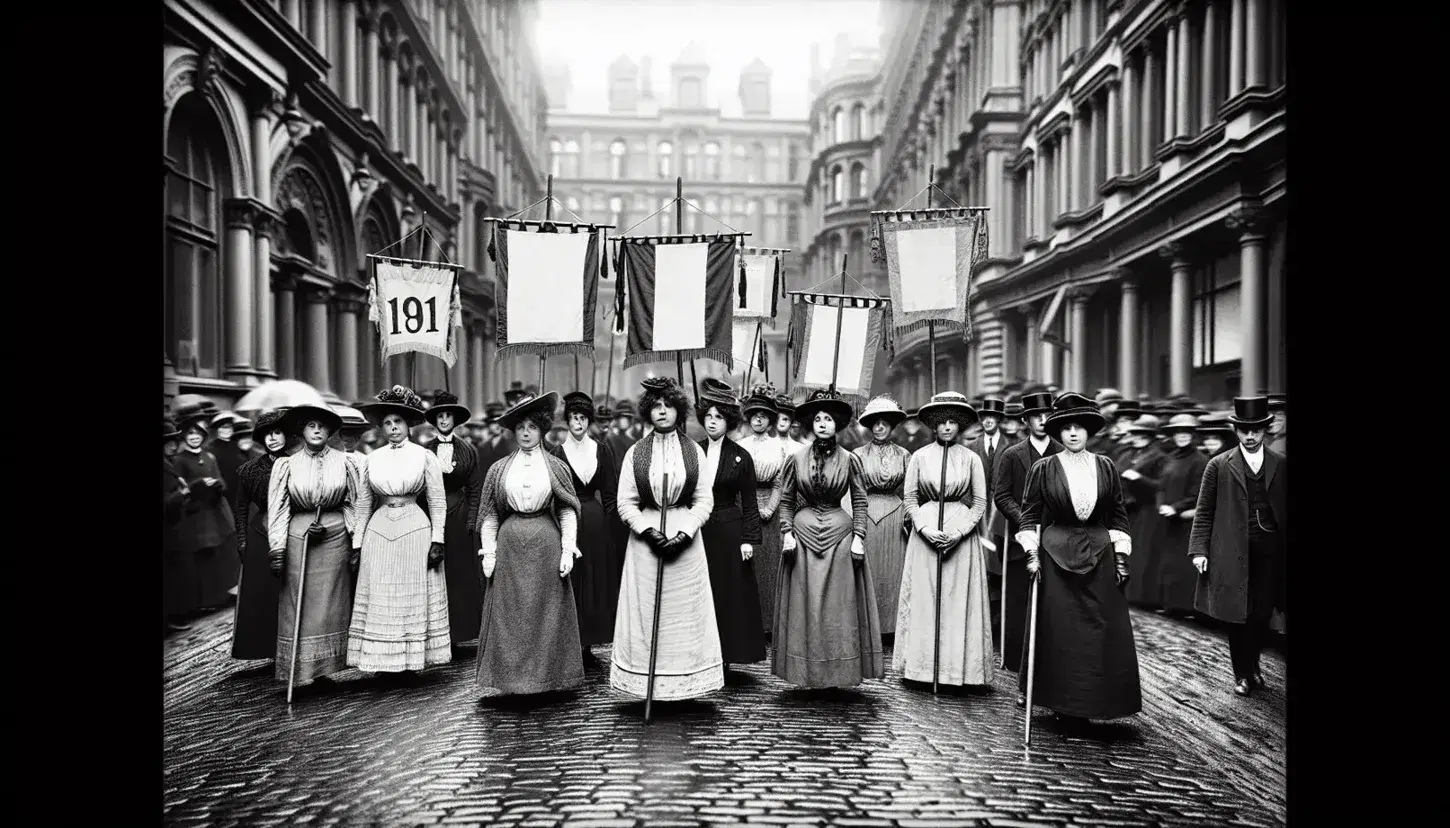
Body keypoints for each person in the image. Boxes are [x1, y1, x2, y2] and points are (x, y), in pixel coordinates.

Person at [1016, 392, 1141, 732]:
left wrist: (1121, 558)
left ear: (1089, 432)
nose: (1073, 433)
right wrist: (1031, 553)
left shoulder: (1105, 466)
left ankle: (1097, 698)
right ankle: (1063, 702)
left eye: (1080, 427)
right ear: (1058, 433)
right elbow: (1029, 517)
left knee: (1099, 629)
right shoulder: (1044, 468)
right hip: (1056, 555)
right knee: (1061, 630)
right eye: (1067, 428)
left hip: (1100, 553)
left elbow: (1117, 513)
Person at [610, 377, 724, 702]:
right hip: (646, 541)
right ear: (648, 412)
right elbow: (625, 502)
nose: (662, 412)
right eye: (656, 407)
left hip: (684, 538)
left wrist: (684, 533)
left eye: (668, 406)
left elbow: (704, 500)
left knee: (684, 615)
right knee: (646, 612)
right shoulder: (636, 453)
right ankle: (646, 683)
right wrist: (647, 530)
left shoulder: (694, 452)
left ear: (679, 410)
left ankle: (685, 683)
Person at [474, 391, 588, 696]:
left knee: (546, 612)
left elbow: (566, 509)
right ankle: (511, 680)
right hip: (510, 545)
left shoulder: (556, 467)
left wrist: (567, 549)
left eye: (532, 427)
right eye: (520, 427)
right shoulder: (498, 469)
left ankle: (548, 678)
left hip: (545, 543)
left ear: (542, 430)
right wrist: (489, 551)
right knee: (511, 615)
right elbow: (489, 514)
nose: (525, 433)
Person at [773, 389, 885, 689]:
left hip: (840, 536)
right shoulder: (796, 459)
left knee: (839, 606)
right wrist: (786, 532)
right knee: (805, 606)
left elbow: (860, 500)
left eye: (829, 419)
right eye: (818, 419)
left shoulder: (850, 460)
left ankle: (838, 672)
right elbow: (786, 500)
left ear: (837, 424)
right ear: (811, 423)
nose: (823, 424)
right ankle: (805, 672)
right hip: (803, 536)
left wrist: (859, 537)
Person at [1187, 396, 1287, 697]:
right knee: (1237, 613)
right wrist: (1199, 550)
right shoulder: (1218, 465)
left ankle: (1254, 664)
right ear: (1236, 431)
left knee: (1261, 612)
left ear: (1266, 430)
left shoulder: (1280, 463)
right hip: (1231, 550)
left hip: (1270, 550)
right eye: (1245, 430)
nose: (1251, 436)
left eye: (1257, 430)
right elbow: (1204, 509)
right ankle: (1242, 674)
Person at [349, 386, 452, 677]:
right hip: (379, 529)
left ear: (409, 426)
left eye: (399, 423)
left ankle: (410, 661)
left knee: (410, 594)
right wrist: (357, 544)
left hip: (414, 526)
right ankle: (382, 662)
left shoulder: (423, 457)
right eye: (388, 423)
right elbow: (363, 504)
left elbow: (437, 501)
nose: (393, 428)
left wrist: (437, 540)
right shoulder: (372, 459)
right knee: (382, 594)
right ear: (382, 428)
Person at [894, 392, 993, 689]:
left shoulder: (971, 458)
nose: (947, 427)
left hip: (960, 533)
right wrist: (923, 528)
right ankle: (922, 668)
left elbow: (979, 502)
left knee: (956, 600)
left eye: (953, 422)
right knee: (926, 600)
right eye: (942, 422)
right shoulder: (921, 457)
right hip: (926, 531)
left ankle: (957, 670)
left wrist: (960, 532)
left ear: (960, 426)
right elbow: (909, 498)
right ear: (933, 426)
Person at [266, 402, 365, 687]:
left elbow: (353, 503)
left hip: (335, 537)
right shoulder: (286, 464)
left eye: (322, 426)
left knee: (331, 603)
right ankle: (300, 670)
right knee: (300, 602)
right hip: (300, 535)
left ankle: (324, 669)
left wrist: (355, 541)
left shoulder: (346, 462)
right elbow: (279, 508)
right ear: (302, 430)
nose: (317, 430)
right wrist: (277, 548)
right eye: (311, 425)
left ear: (331, 430)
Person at [990, 391, 1059, 694]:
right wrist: (1025, 521)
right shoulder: (1012, 454)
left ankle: (1052, 668)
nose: (1042, 420)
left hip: (1058, 541)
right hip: (1019, 542)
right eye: (1036, 416)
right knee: (1019, 604)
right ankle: (1020, 669)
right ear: (1026, 420)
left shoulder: (1062, 451)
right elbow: (1002, 494)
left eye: (1047, 415)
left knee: (1053, 606)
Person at [695, 379, 767, 668]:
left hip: (728, 530)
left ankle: (726, 654)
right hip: (698, 530)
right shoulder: (692, 451)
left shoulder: (741, 456)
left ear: (729, 421)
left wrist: (748, 539)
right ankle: (699, 652)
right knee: (700, 589)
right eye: (709, 417)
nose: (713, 423)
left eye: (719, 417)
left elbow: (750, 502)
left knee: (727, 591)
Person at [548, 391, 621, 664]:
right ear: (566, 421)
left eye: (582, 418)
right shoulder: (557, 453)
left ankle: (590, 640)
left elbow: (611, 495)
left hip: (596, 523)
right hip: (568, 521)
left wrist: (612, 530)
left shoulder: (602, 450)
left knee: (595, 579)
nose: (577, 423)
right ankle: (572, 639)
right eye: (572, 418)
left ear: (589, 421)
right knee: (573, 579)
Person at [421, 391, 486, 652]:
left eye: (448, 415)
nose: (444, 419)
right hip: (430, 514)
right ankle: (436, 633)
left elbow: (475, 488)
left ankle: (459, 632)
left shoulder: (468, 450)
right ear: (434, 420)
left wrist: (472, 520)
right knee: (435, 572)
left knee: (458, 573)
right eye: (440, 415)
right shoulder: (424, 451)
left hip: (458, 517)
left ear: (455, 419)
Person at [229, 411, 290, 660]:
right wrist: (242, 539)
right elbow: (241, 507)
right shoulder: (249, 470)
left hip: (291, 531)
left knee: (289, 591)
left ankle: (292, 647)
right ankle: (267, 649)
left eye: (277, 433)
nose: (273, 439)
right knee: (262, 593)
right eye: (267, 435)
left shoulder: (298, 464)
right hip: (260, 534)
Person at [852, 395, 912, 644]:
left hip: (896, 516)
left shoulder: (905, 455)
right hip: (865, 513)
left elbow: (911, 491)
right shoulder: (856, 455)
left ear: (892, 425)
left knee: (894, 573)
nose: (879, 427)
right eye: (875, 423)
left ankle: (891, 628)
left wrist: (909, 517)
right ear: (869, 425)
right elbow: (852, 491)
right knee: (867, 570)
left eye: (884, 422)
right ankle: (865, 626)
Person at [173, 412, 239, 614]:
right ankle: (207, 600)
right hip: (198, 515)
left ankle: (225, 593)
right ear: (184, 439)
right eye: (190, 435)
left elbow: (222, 481)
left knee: (224, 553)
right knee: (204, 557)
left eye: (197, 434)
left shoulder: (209, 457)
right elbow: (181, 488)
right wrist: (199, 485)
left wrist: (216, 484)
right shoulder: (180, 460)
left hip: (216, 509)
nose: (194, 437)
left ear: (202, 437)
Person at [739, 385, 791, 639]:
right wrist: (751, 508)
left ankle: (770, 623)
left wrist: (770, 507)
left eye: (764, 415)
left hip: (772, 508)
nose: (759, 419)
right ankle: (748, 620)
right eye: (754, 414)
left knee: (770, 565)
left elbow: (781, 481)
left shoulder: (778, 447)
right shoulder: (739, 446)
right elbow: (737, 483)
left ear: (770, 419)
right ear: (748, 418)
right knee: (747, 565)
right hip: (745, 507)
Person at [1150, 414, 1209, 617]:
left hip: (1186, 519)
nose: (1182, 437)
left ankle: (1188, 607)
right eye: (1178, 433)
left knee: (1184, 564)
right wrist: (1161, 505)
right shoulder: (1172, 458)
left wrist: (1176, 508)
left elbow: (1197, 492)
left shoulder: (1200, 461)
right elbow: (1161, 485)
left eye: (1186, 433)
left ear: (1193, 435)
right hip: (1168, 518)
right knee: (1168, 563)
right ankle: (1171, 604)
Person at [966, 397, 1009, 635]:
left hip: (1001, 513)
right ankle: (978, 622)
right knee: (978, 563)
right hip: (978, 509)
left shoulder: (1011, 446)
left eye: (993, 418)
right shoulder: (972, 447)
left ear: (1000, 420)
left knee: (998, 564)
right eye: (984, 418)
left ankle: (997, 622)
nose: (988, 421)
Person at [1117, 415, 1169, 609]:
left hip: (1147, 509)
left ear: (1151, 436)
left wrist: (1138, 477)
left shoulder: (1159, 457)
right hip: (1126, 508)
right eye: (1136, 433)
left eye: (1143, 434)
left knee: (1144, 554)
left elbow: (1161, 485)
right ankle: (1127, 591)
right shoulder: (1127, 454)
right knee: (1127, 551)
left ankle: (1144, 596)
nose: (1138, 437)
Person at [163, 418, 196, 631]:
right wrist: (181, 493)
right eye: (169, 441)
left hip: (174, 528)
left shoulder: (169, 464)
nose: (175, 444)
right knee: (171, 576)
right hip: (168, 531)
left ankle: (174, 616)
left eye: (176, 440)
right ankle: (171, 618)